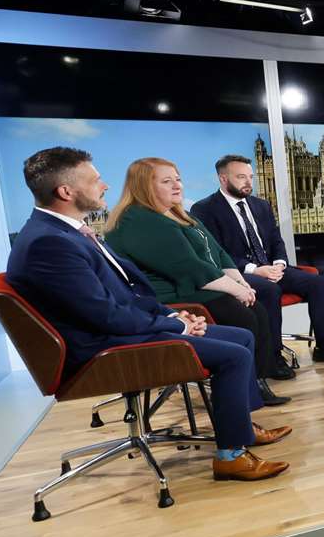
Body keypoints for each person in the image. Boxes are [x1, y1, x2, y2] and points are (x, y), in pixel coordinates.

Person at [5, 147, 290, 481]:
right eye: (95, 180)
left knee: (240, 337)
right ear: (66, 192)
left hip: (120, 331)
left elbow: (129, 290)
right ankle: (231, 455)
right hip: (103, 349)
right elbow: (105, 315)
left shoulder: (69, 232)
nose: (106, 186)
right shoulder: (50, 242)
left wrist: (176, 317)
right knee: (233, 355)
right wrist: (174, 325)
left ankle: (239, 428)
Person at [104, 157, 291, 405]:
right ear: (142, 186)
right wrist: (236, 290)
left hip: (195, 286)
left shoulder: (177, 214)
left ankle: (257, 380)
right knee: (244, 315)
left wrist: (240, 282)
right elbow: (187, 267)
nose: (177, 185)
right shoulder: (137, 219)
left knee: (256, 305)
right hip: (173, 297)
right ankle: (248, 391)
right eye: (166, 181)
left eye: (178, 179)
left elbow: (217, 252)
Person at [190, 154, 324, 366]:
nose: (249, 182)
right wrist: (255, 270)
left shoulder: (261, 205)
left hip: (271, 268)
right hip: (240, 275)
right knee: (269, 290)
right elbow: (216, 253)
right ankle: (273, 356)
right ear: (223, 179)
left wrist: (279, 264)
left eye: (251, 176)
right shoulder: (205, 209)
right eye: (241, 177)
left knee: (318, 283)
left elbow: (276, 241)